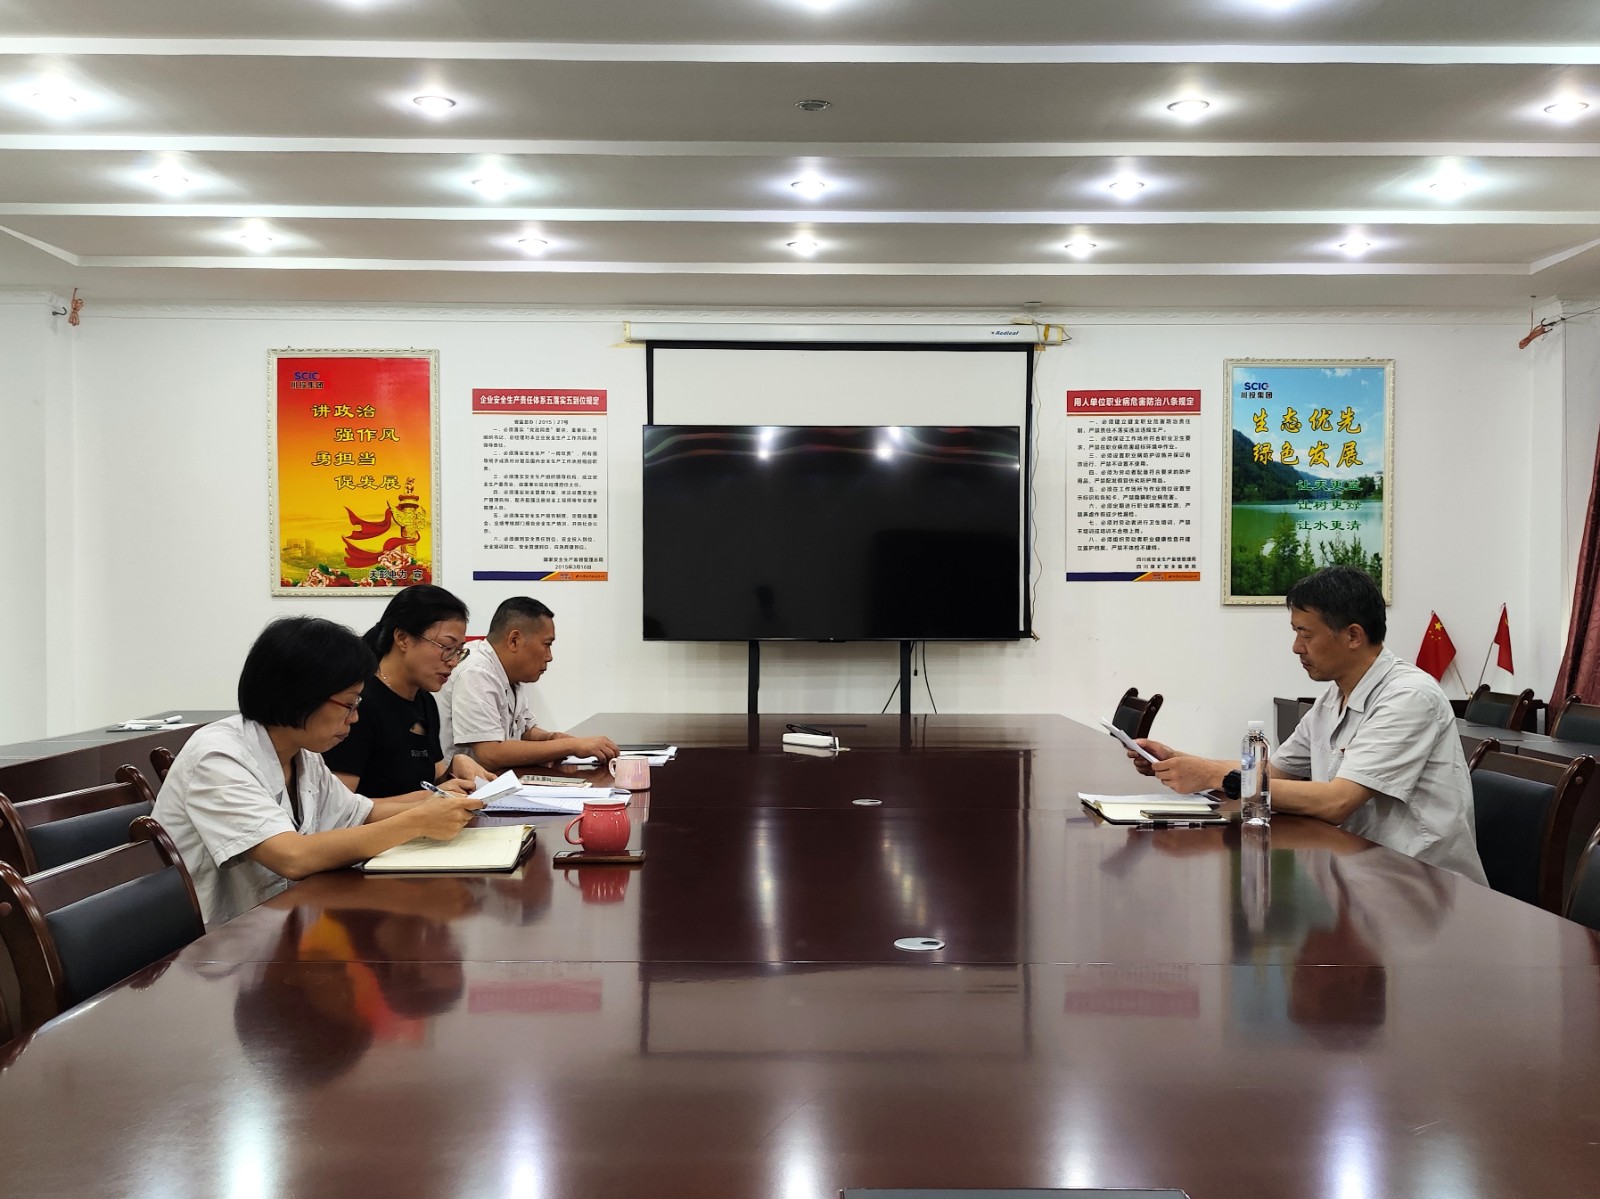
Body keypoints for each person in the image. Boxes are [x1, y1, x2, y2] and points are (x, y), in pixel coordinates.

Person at [1130, 565, 1488, 884]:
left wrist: (1213, 776)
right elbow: (1273, 771)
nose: (1296, 647)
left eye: (1306, 635)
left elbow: (1337, 802)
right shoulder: (1334, 697)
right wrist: (1180, 760)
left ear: (1353, 636)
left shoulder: (1408, 697)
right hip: (1356, 870)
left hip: (1419, 885)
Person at [153, 616, 483, 927]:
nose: (355, 717)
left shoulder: (302, 754)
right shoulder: (218, 757)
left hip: (282, 924)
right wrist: (418, 821)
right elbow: (292, 856)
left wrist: (437, 802)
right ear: (300, 696)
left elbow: (361, 812)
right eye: (350, 704)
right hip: (216, 948)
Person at [324, 584, 491, 797]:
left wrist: (457, 765)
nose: (453, 661)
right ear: (403, 639)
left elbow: (431, 781)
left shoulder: (424, 700)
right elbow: (342, 807)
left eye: (459, 651)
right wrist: (430, 798)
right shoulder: (358, 703)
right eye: (447, 647)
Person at [439, 596, 619, 770]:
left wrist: (553, 737)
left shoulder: (508, 673)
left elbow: (525, 730)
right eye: (546, 644)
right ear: (514, 640)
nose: (549, 656)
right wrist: (571, 746)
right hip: (461, 785)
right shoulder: (476, 672)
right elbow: (490, 754)